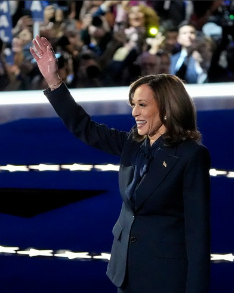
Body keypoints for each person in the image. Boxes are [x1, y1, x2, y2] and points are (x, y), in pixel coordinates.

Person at [30, 35, 211, 293]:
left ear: (168, 109)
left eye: (142, 105)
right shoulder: (133, 143)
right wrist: (53, 80)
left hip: (165, 278)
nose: (134, 112)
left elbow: (198, 232)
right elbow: (85, 128)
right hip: (126, 272)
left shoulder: (191, 156)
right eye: (133, 104)